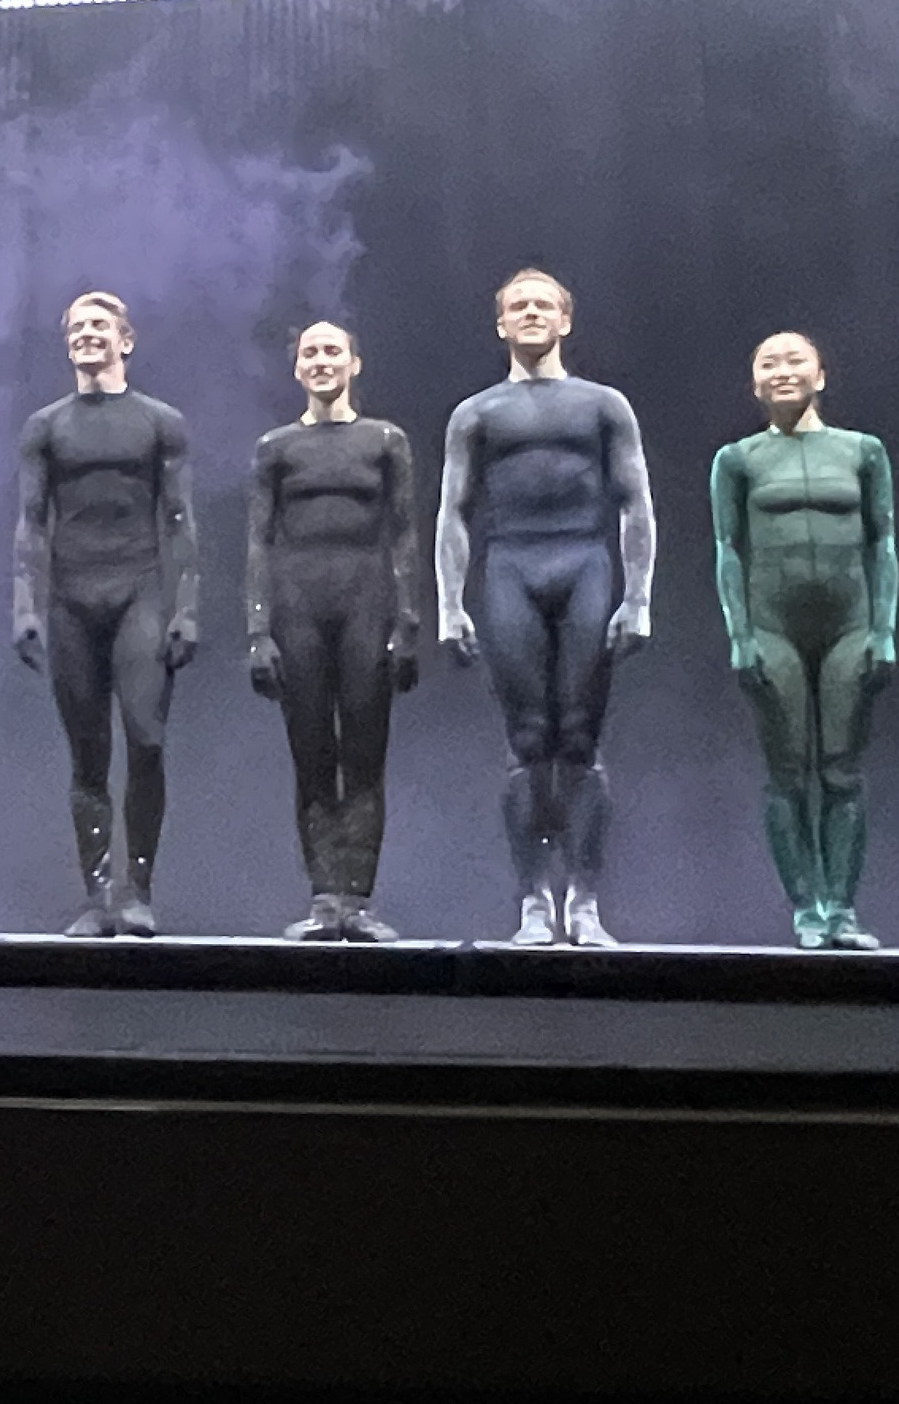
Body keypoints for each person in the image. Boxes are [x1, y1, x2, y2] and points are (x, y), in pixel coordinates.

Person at [435, 269, 655, 947]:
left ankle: (584, 901)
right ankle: (534, 898)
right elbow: (453, 512)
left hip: (584, 561)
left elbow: (636, 502)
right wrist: (448, 604)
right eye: (518, 306)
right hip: (512, 566)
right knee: (529, 740)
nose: (531, 313)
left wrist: (638, 597)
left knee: (580, 738)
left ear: (565, 320)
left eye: (543, 304)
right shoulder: (477, 414)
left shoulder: (603, 405)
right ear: (501, 324)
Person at [14, 292, 198, 937]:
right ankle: (96, 899)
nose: (87, 334)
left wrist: (186, 609)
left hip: (138, 590)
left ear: (126, 340)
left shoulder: (159, 421)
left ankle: (136, 890)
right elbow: (32, 522)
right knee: (87, 753)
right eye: (76, 327)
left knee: (146, 740)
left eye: (99, 325)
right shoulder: (45, 427)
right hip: (71, 597)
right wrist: (25, 606)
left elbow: (179, 520)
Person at [709, 331, 897, 951]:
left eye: (796, 361)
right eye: (769, 363)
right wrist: (740, 635)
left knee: (841, 769)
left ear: (821, 375)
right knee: (788, 769)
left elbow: (883, 543)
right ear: (754, 384)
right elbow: (728, 550)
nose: (783, 371)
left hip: (849, 624)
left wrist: (884, 629)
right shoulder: (738, 460)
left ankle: (842, 907)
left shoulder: (863, 451)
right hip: (773, 626)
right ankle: (805, 909)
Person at [247, 321, 421, 943]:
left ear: (355, 363)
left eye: (332, 351)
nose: (322, 361)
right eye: (311, 353)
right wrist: (258, 630)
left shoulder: (384, 441)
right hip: (298, 612)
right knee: (313, 754)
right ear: (297, 369)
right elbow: (259, 541)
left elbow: (404, 533)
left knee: (365, 757)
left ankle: (359, 902)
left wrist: (408, 621)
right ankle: (324, 900)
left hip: (366, 609)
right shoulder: (276, 448)